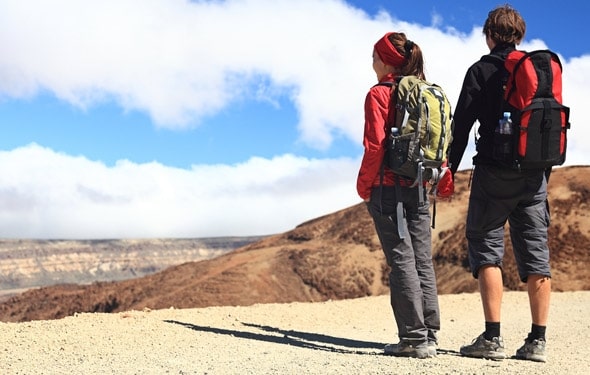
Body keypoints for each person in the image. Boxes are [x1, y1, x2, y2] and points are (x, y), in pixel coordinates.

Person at [449, 5, 551, 362]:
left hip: (493, 173)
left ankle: (492, 339)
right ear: (519, 35)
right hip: (534, 174)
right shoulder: (539, 69)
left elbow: (461, 126)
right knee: (537, 254)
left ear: (489, 34)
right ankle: (537, 341)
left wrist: (448, 168)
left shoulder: (481, 70)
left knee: (486, 247)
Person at [357, 32, 440, 359]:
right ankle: (430, 334)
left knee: (400, 259)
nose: (372, 62)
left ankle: (413, 338)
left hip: (387, 186)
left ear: (386, 61)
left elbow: (375, 146)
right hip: (419, 183)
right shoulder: (423, 91)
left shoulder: (378, 94)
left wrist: (364, 185)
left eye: (375, 56)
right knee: (422, 258)